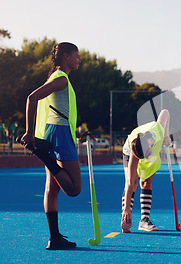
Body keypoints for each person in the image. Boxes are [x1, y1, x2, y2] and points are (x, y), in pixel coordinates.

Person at [19, 42, 82, 250]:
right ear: (65, 56)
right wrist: (29, 133)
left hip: (53, 132)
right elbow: (32, 97)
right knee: (73, 189)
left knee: (52, 187)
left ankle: (54, 238)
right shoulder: (62, 79)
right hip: (59, 134)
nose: (78, 59)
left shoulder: (56, 77)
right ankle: (42, 154)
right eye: (76, 56)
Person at [121, 109, 171, 233]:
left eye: (146, 155)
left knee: (146, 183)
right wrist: (126, 209)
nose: (145, 159)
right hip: (129, 152)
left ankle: (144, 220)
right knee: (132, 186)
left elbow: (165, 112)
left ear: (149, 145)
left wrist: (166, 135)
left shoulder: (157, 130)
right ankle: (125, 218)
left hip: (150, 150)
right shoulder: (136, 148)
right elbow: (130, 182)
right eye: (143, 158)